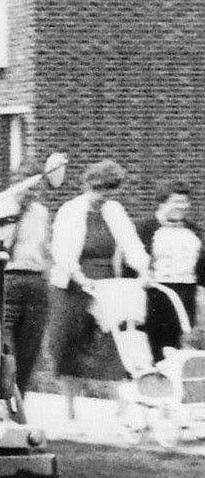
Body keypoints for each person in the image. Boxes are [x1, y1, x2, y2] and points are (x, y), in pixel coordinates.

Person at [42, 159, 151, 433]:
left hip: (106, 284)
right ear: (89, 185)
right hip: (72, 285)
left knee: (115, 342)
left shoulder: (114, 210)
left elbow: (130, 243)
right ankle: (70, 413)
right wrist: (80, 278)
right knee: (68, 343)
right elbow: (62, 250)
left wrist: (143, 269)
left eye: (110, 192)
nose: (104, 197)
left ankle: (122, 410)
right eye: (100, 190)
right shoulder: (71, 210)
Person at [0, 162, 53, 413]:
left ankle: (20, 406)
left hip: (35, 281)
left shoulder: (42, 213)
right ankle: (4, 401)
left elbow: (47, 248)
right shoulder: (1, 208)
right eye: (24, 181)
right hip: (9, 278)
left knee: (29, 348)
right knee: (6, 347)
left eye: (34, 183)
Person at [133, 181, 205, 362]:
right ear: (162, 203)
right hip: (154, 294)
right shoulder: (144, 228)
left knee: (179, 343)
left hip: (186, 293)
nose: (181, 206)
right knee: (152, 342)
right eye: (176, 201)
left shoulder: (194, 230)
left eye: (185, 202)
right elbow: (130, 260)